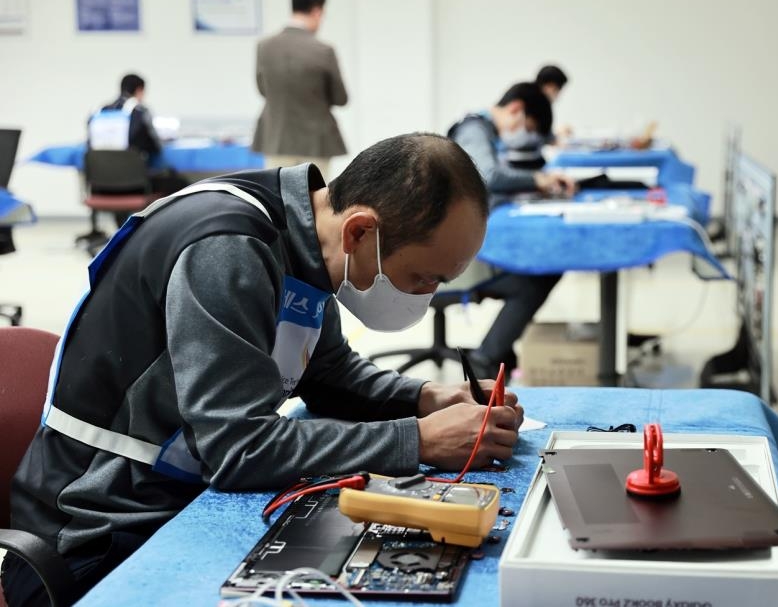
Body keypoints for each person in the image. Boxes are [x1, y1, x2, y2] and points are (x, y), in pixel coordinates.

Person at [1, 134, 523, 607]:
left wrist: (428, 399)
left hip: (179, 498)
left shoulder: (306, 241)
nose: (426, 298)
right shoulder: (230, 249)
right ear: (362, 230)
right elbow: (238, 448)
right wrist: (419, 441)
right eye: (422, 277)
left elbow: (330, 375)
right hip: (102, 531)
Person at [448, 82, 576, 377]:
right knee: (538, 276)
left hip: (462, 239)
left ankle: (496, 350)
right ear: (516, 109)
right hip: (454, 258)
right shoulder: (474, 131)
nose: (526, 137)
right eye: (528, 129)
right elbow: (487, 175)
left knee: (542, 267)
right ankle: (486, 358)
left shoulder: (484, 132)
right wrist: (538, 181)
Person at [252, 0, 349, 180]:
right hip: (316, 141)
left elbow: (263, 89)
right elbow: (340, 97)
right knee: (316, 200)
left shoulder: (264, 47)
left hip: (276, 138)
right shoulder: (323, 50)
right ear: (317, 11)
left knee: (278, 196)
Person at [87, 73, 190, 224]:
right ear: (140, 90)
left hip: (100, 187)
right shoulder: (139, 112)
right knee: (180, 184)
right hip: (135, 186)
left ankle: (121, 231)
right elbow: (155, 148)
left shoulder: (98, 112)